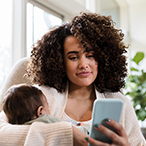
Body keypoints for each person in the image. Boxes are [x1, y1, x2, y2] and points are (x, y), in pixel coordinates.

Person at [24, 12, 146, 146]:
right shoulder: (42, 96)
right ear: (60, 62)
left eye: (91, 55)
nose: (83, 65)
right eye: (73, 57)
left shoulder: (120, 103)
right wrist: (66, 132)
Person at [3, 84, 90, 134]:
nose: (49, 111)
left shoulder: (17, 127)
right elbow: (69, 130)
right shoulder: (46, 120)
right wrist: (84, 127)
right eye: (47, 106)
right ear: (40, 111)